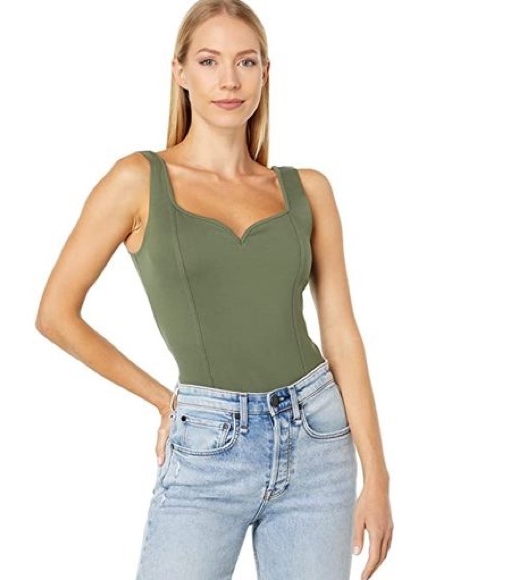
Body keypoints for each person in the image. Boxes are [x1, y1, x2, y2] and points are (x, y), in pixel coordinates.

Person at [35, 1, 393, 578]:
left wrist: (377, 478)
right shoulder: (137, 180)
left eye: (245, 62)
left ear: (265, 74)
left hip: (318, 437)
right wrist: (163, 400)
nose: (229, 80)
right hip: (208, 442)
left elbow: (341, 333)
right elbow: (56, 314)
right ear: (180, 72)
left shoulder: (308, 190)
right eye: (209, 61)